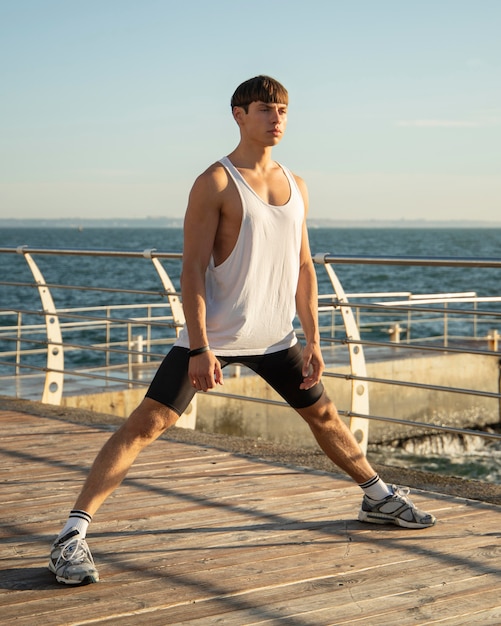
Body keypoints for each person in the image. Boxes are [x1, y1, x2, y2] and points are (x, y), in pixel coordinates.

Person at [48, 75, 436, 586]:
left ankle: (377, 497)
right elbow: (190, 271)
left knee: (323, 414)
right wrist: (201, 347)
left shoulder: (296, 185)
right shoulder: (215, 182)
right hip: (215, 337)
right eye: (264, 109)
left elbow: (303, 269)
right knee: (147, 424)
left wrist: (314, 338)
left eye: (283, 111)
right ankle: (70, 537)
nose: (276, 119)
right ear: (238, 114)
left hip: (277, 338)